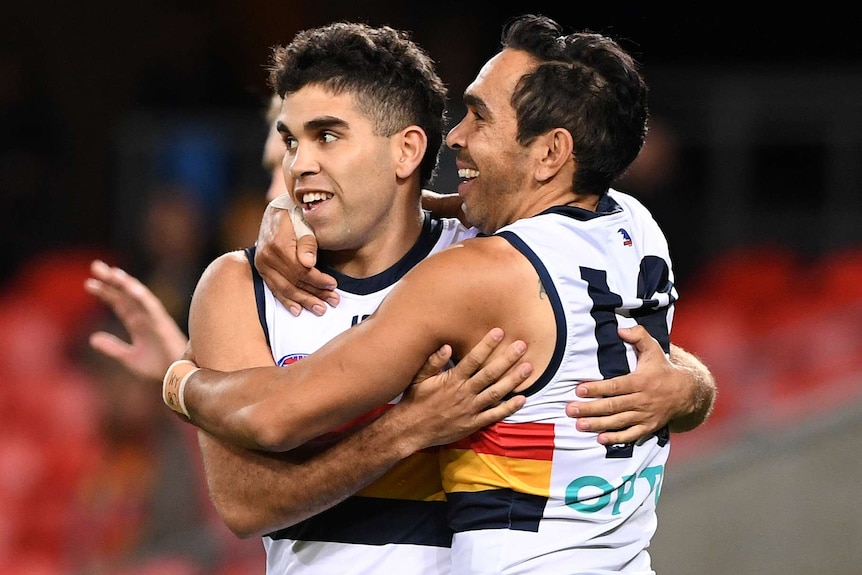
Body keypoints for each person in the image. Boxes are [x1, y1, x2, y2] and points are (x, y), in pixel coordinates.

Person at [164, 15, 714, 574]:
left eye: (326, 136)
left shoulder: (473, 265)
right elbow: (244, 504)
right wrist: (405, 429)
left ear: (406, 151)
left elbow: (271, 417)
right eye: (290, 141)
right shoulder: (631, 225)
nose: (298, 164)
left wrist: (180, 382)